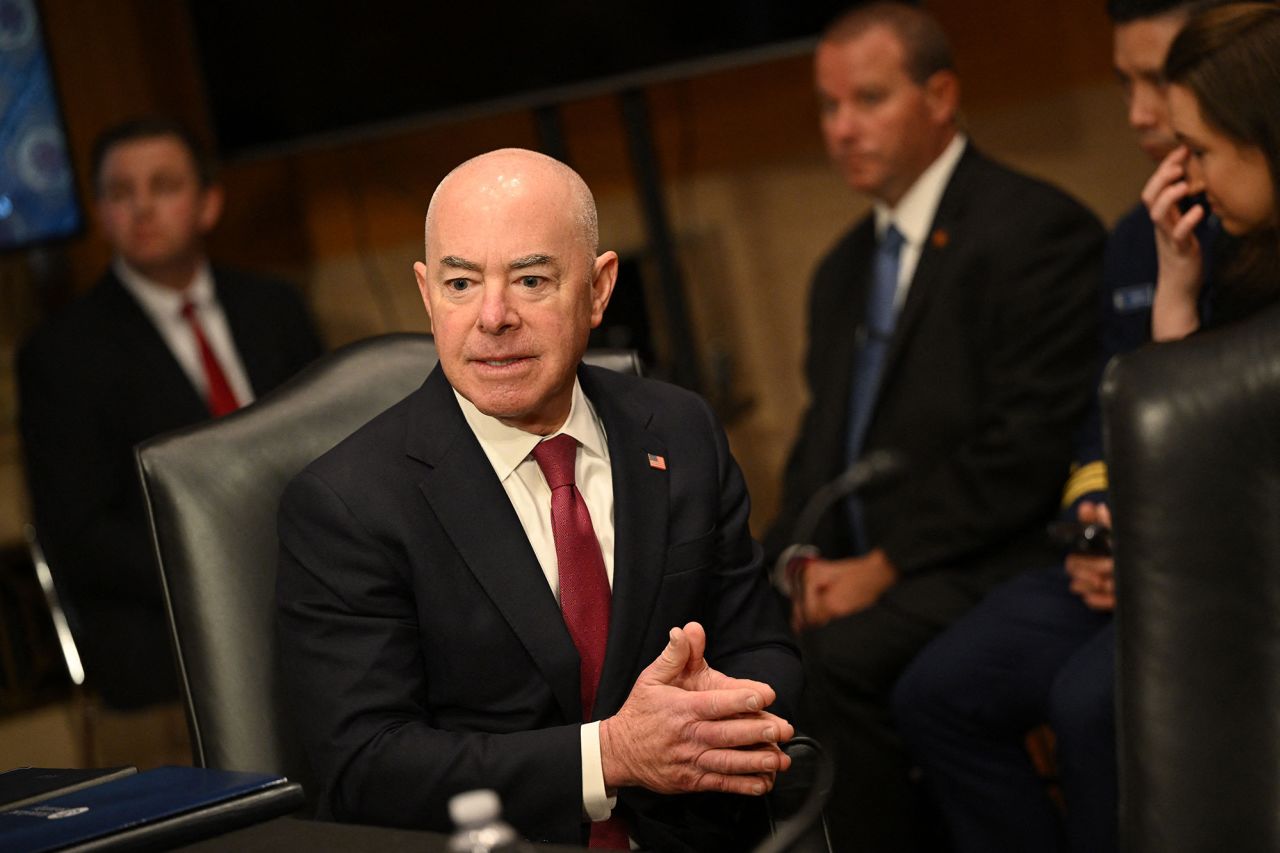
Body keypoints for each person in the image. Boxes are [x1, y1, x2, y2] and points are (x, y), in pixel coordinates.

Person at [275, 148, 803, 851]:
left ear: (597, 288)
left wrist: (726, 709)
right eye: (462, 283)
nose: (493, 316)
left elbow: (765, 646)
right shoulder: (347, 503)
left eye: (529, 279)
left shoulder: (680, 430)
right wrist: (610, 754)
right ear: (428, 294)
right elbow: (366, 767)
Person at [894, 3, 1280, 851]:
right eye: (1128, 86)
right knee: (938, 688)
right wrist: (1110, 520)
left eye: (1203, 147)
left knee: (1090, 701)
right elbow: (1133, 419)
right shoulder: (1179, 237)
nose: (1181, 160)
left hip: (1220, 567)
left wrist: (1155, 541)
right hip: (1152, 546)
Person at [764, 3, 1106, 849]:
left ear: (941, 95)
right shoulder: (841, 268)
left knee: (834, 664)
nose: (843, 128)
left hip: (998, 553)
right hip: (873, 567)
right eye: (828, 107)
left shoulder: (1037, 231)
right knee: (750, 648)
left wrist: (883, 566)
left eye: (869, 100)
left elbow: (1024, 450)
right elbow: (821, 444)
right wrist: (791, 561)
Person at [17, 117, 324, 710]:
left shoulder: (273, 307)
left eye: (162, 186)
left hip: (320, 602)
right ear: (102, 214)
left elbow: (336, 454)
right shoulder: (61, 353)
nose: (141, 208)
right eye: (119, 193)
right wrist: (234, 570)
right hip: (171, 639)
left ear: (208, 203)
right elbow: (81, 535)